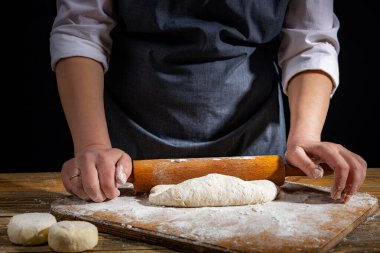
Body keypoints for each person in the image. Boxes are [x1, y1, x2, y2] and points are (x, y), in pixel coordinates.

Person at [50, 0, 366, 203]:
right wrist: (92, 144)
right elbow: (82, 30)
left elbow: (309, 38)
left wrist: (307, 136)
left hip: (254, 140)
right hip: (129, 149)